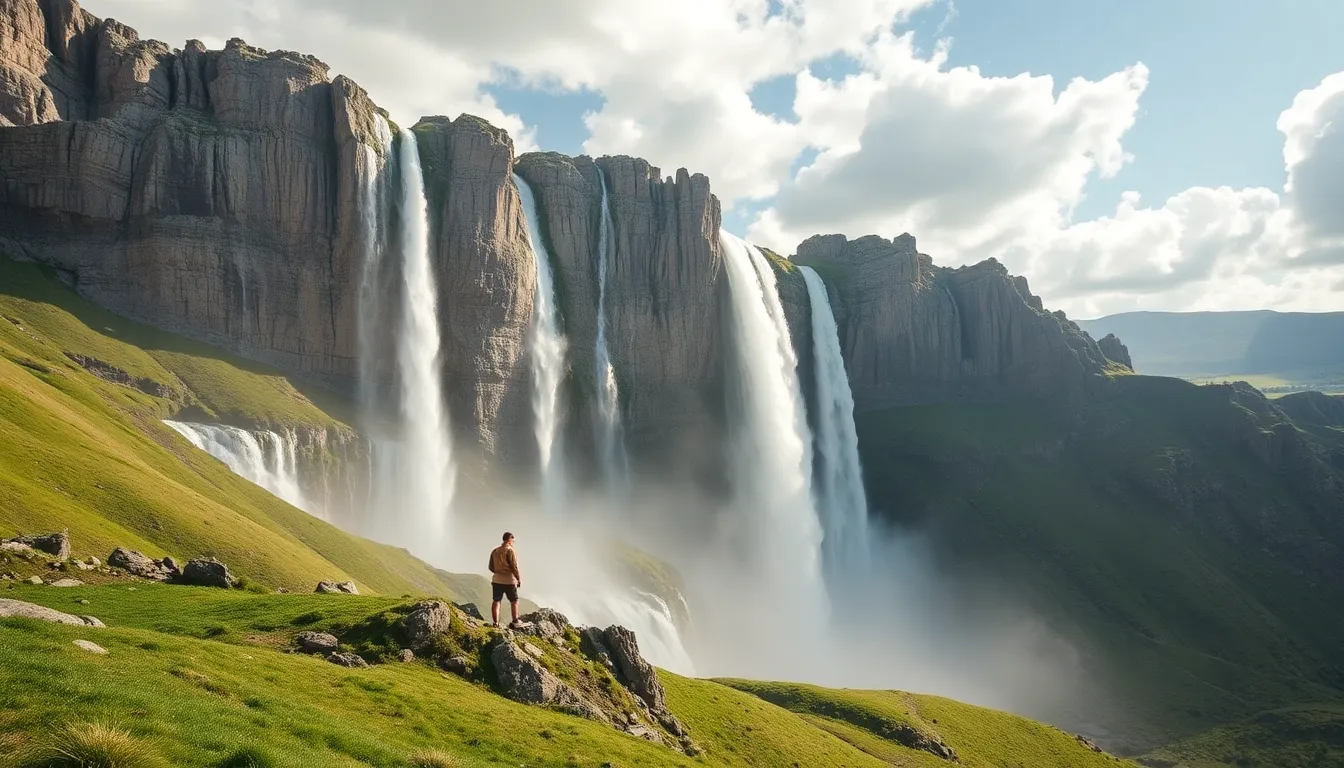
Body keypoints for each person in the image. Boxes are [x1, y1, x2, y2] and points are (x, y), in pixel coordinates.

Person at [488, 531, 522, 628]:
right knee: (514, 600)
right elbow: (513, 566)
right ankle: (515, 621)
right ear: (509, 539)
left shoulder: (495, 551)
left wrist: (498, 572)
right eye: (512, 540)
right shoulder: (510, 550)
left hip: (496, 580)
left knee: (496, 600)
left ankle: (495, 623)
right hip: (509, 580)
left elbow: (491, 567)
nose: (513, 542)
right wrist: (518, 579)